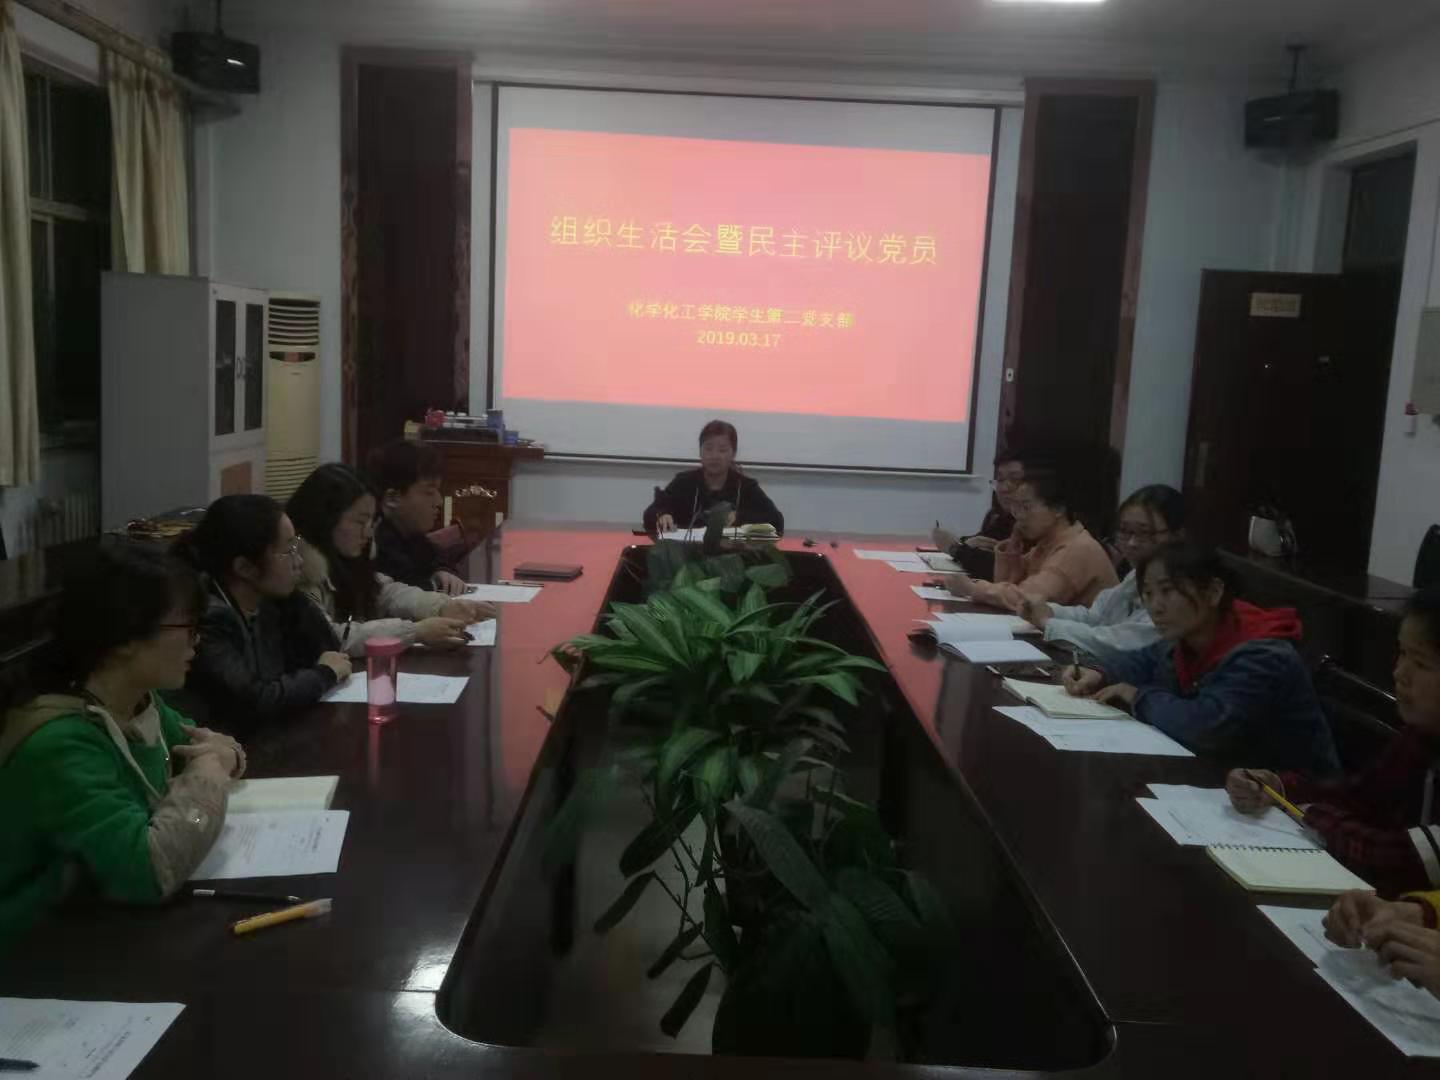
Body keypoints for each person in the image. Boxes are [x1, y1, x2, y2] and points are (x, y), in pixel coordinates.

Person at [0, 540, 244, 946]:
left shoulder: (138, 702)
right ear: (126, 636)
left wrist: (225, 757)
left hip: (97, 923)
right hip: (33, 950)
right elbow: (150, 871)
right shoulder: (60, 744)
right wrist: (208, 778)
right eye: (187, 627)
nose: (196, 641)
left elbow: (216, 748)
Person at [1227, 589, 1440, 896]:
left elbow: (1401, 863)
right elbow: (1359, 796)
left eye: (1420, 663)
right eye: (1402, 653)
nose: (1399, 673)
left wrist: (1312, 813)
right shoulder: (1420, 736)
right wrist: (1278, 788)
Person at [1065, 543, 1339, 774]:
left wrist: (1138, 696)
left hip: (1293, 800)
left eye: (1167, 591)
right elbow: (1145, 659)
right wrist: (1099, 673)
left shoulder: (1262, 655)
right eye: (1148, 594)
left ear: (1213, 592)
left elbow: (1207, 727)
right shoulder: (1190, 632)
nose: (1155, 607)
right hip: (1219, 778)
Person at [175, 495, 353, 735]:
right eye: (288, 551)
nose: (299, 561)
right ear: (245, 568)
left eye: (296, 546)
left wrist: (296, 600)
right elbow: (255, 701)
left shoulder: (272, 599)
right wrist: (324, 674)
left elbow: (329, 648)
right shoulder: (208, 618)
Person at [286, 463, 494, 656]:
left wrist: (441, 606)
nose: (368, 533)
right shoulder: (297, 568)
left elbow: (386, 592)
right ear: (325, 519)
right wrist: (415, 632)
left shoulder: (347, 556)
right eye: (360, 522)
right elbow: (330, 636)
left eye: (371, 522)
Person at [1012, 484, 1184, 666]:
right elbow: (1097, 617)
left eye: (1144, 533)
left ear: (1178, 535)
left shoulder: (1180, 586)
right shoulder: (1136, 575)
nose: (1132, 543)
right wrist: (1050, 611)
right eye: (1125, 532)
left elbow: (1120, 643)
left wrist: (1047, 622)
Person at [944, 468, 1117, 608]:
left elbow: (1027, 600)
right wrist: (1012, 547)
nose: (1019, 516)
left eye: (1026, 507)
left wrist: (972, 589)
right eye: (1016, 508)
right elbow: (1008, 584)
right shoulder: (1047, 544)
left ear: (1058, 509)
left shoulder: (1076, 549)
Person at [366, 439, 471, 596]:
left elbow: (436, 559)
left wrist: (441, 571)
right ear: (392, 498)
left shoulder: (410, 532)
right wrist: (435, 581)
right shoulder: (375, 542)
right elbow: (411, 585)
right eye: (429, 492)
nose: (439, 501)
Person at [643, 420, 784, 536]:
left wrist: (740, 517)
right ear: (700, 452)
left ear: (733, 453)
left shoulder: (746, 487)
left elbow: (776, 521)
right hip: (687, 555)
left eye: (722, 450)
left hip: (732, 556)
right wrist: (662, 515)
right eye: (708, 449)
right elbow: (651, 512)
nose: (714, 456)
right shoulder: (683, 482)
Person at [931, 451, 1024, 580]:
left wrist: (955, 548)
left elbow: (999, 569)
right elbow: (982, 542)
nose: (1003, 488)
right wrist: (964, 544)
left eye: (1015, 480)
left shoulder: (1032, 523)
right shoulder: (1000, 516)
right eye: (1000, 480)